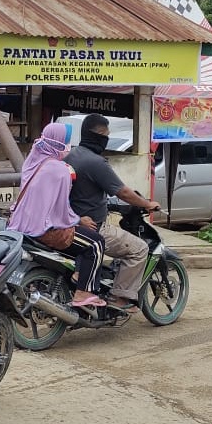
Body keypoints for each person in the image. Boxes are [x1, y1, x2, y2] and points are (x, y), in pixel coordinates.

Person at [63, 114, 160, 312]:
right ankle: (120, 297)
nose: (107, 139)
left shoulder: (71, 155)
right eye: (106, 135)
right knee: (139, 249)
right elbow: (123, 192)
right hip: (94, 226)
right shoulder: (97, 163)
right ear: (98, 135)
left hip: (70, 221)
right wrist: (147, 204)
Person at [8, 124, 106, 307]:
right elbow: (61, 210)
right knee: (96, 243)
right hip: (45, 230)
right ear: (59, 142)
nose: (68, 146)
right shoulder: (59, 170)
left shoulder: (33, 160)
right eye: (66, 141)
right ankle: (83, 292)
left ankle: (75, 276)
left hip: (21, 226)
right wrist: (78, 220)